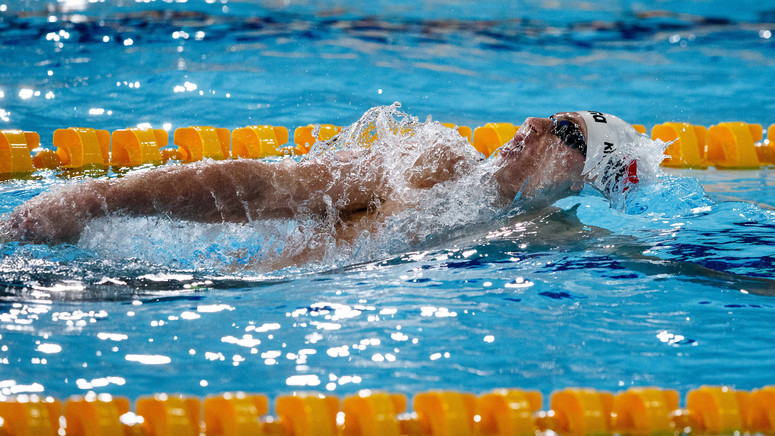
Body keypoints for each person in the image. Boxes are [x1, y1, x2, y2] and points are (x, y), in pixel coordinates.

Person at [0, 108, 651, 251]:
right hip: (178, 289)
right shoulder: (434, 160)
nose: (534, 123)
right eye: (549, 116)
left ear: (585, 176)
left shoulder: (549, 240)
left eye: (565, 132)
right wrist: (94, 200)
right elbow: (261, 186)